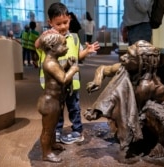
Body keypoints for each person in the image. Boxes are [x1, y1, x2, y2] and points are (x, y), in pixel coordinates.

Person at [35, 2, 100, 145]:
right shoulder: (47, 39)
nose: (63, 26)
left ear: (70, 19)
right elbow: (37, 46)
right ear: (50, 22)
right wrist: (43, 36)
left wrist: (87, 52)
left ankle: (77, 131)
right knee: (57, 108)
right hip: (54, 84)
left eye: (65, 22)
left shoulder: (75, 38)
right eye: (58, 24)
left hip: (72, 81)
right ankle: (57, 131)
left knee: (74, 107)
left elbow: (78, 55)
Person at [37, 33, 79, 162]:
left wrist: (66, 64)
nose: (66, 48)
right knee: (48, 129)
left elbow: (59, 72)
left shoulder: (53, 61)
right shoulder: (50, 64)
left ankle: (52, 144)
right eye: (64, 45)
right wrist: (73, 69)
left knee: (53, 126)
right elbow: (63, 78)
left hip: (55, 101)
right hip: (50, 102)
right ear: (52, 47)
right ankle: (46, 153)